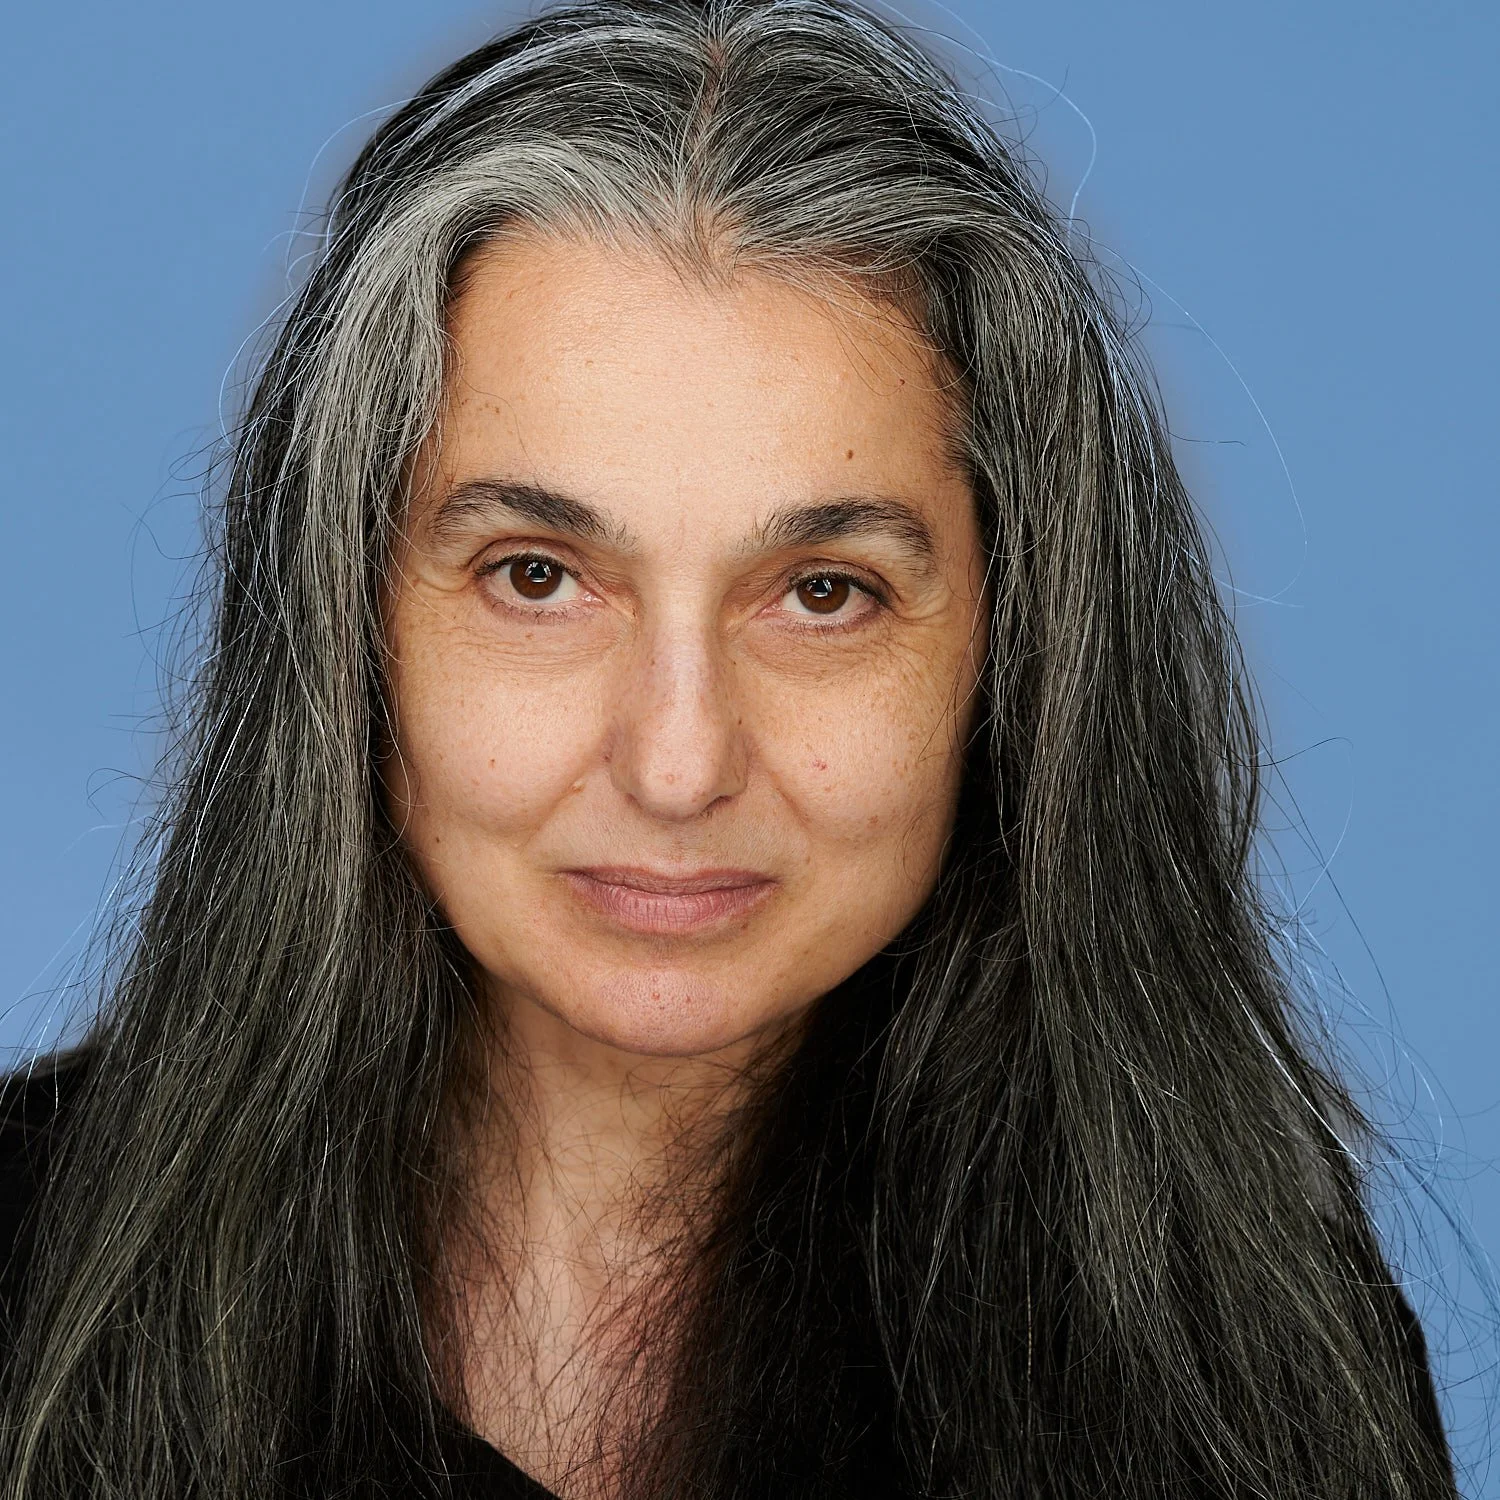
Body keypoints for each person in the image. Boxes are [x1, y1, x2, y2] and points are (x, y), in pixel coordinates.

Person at [0, 0, 1460, 1495]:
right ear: (348, 631)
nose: (679, 762)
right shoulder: (20, 1270)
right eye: (537, 577)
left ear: (1013, 654)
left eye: (824, 595)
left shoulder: (1241, 1363)